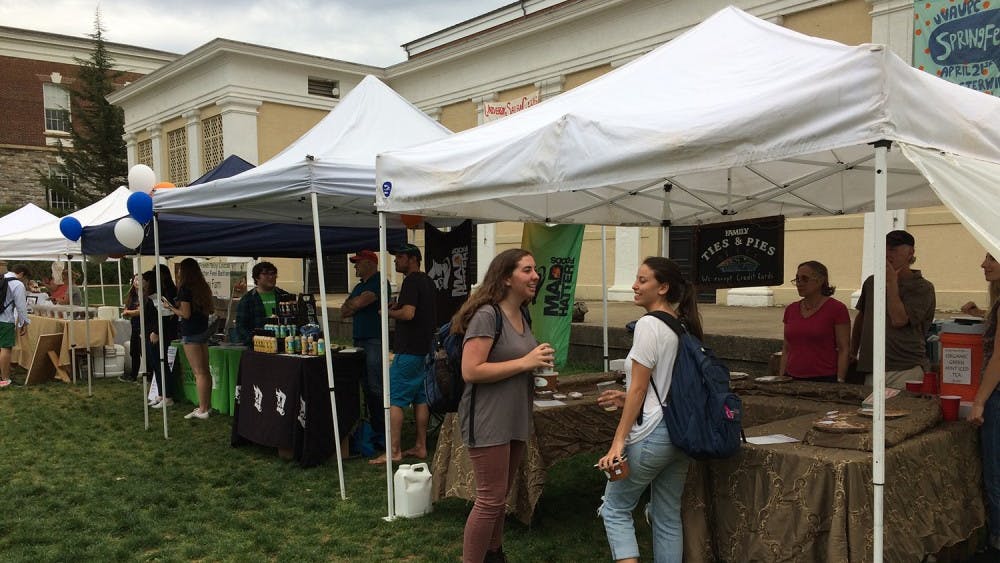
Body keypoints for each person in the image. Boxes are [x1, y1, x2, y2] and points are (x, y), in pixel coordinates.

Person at [452, 248, 553, 563]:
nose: (535, 275)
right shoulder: (487, 315)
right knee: (489, 499)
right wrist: (525, 361)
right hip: (488, 419)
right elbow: (471, 371)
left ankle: (494, 555)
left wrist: (537, 367)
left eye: (535, 269)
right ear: (506, 278)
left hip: (515, 417)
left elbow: (517, 362)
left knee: (499, 499)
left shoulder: (522, 314)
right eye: (527, 270)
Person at [596, 256, 699, 563]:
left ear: (663, 287)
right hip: (679, 432)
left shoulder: (648, 325)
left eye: (643, 280)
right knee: (667, 517)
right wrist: (626, 399)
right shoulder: (679, 326)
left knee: (615, 509)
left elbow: (641, 388)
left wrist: (618, 442)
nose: (634, 286)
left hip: (651, 433)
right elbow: (664, 385)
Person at [369, 243, 436, 466]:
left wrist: (386, 312)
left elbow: (408, 314)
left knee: (395, 398)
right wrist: (397, 306)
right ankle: (421, 446)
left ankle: (394, 451)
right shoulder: (427, 281)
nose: (396, 261)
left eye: (400, 257)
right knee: (420, 398)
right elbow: (417, 311)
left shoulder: (411, 281)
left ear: (414, 259)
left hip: (408, 351)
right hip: (425, 348)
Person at [850, 230, 936, 389]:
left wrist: (892, 283)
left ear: (910, 253)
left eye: (893, 249)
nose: (887, 254)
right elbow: (862, 319)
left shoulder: (922, 287)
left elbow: (899, 319)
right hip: (872, 368)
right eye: (884, 248)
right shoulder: (871, 282)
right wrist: (853, 352)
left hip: (904, 368)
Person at [966, 252, 1000, 558]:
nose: (984, 264)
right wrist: (981, 314)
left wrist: (979, 400)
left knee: (995, 473)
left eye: (992, 257)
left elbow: (999, 358)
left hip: (997, 396)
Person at [341, 249, 391, 449]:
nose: (355, 266)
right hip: (359, 339)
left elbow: (362, 301)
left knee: (376, 386)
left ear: (370, 263)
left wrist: (355, 303)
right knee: (365, 385)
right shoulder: (359, 286)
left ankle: (383, 429)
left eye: (358, 263)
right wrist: (354, 303)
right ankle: (372, 425)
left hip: (374, 339)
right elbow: (345, 310)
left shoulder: (379, 281)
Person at [780, 260, 851, 382]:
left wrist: (840, 379)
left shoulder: (837, 309)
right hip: (791, 377)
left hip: (824, 377)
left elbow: (844, 348)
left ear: (820, 281)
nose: (799, 283)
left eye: (805, 279)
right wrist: (781, 377)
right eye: (797, 279)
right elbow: (786, 348)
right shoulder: (791, 310)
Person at [162, 258, 214, 420]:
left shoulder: (184, 289)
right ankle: (206, 406)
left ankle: (203, 409)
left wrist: (170, 307)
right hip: (203, 330)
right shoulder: (202, 287)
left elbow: (185, 314)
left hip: (190, 332)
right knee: (205, 371)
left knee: (199, 373)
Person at [235, 261, 293, 346]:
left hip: (285, 343)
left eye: (273, 274)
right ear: (257, 277)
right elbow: (241, 327)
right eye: (266, 274)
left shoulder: (284, 296)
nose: (271, 277)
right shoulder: (248, 299)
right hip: (258, 345)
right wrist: (253, 339)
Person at [144, 267, 178, 408]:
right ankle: (160, 393)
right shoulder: (151, 295)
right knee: (155, 364)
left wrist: (156, 332)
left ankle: (167, 395)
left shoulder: (162, 294)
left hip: (159, 333)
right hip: (151, 332)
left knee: (161, 363)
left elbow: (164, 316)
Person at [0, 265, 31, 387]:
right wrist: (24, 323)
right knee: (5, 349)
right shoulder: (17, 284)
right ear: (22, 274)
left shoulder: (1, 277)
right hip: (5, 320)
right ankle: (5, 379)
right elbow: (21, 307)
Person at [118, 274, 142, 383]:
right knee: (134, 351)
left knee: (143, 351)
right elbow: (127, 308)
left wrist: (129, 312)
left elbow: (141, 311)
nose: (136, 282)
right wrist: (127, 312)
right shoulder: (132, 296)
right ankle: (133, 375)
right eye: (135, 279)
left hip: (143, 327)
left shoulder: (144, 295)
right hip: (135, 326)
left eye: (139, 279)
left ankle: (148, 375)